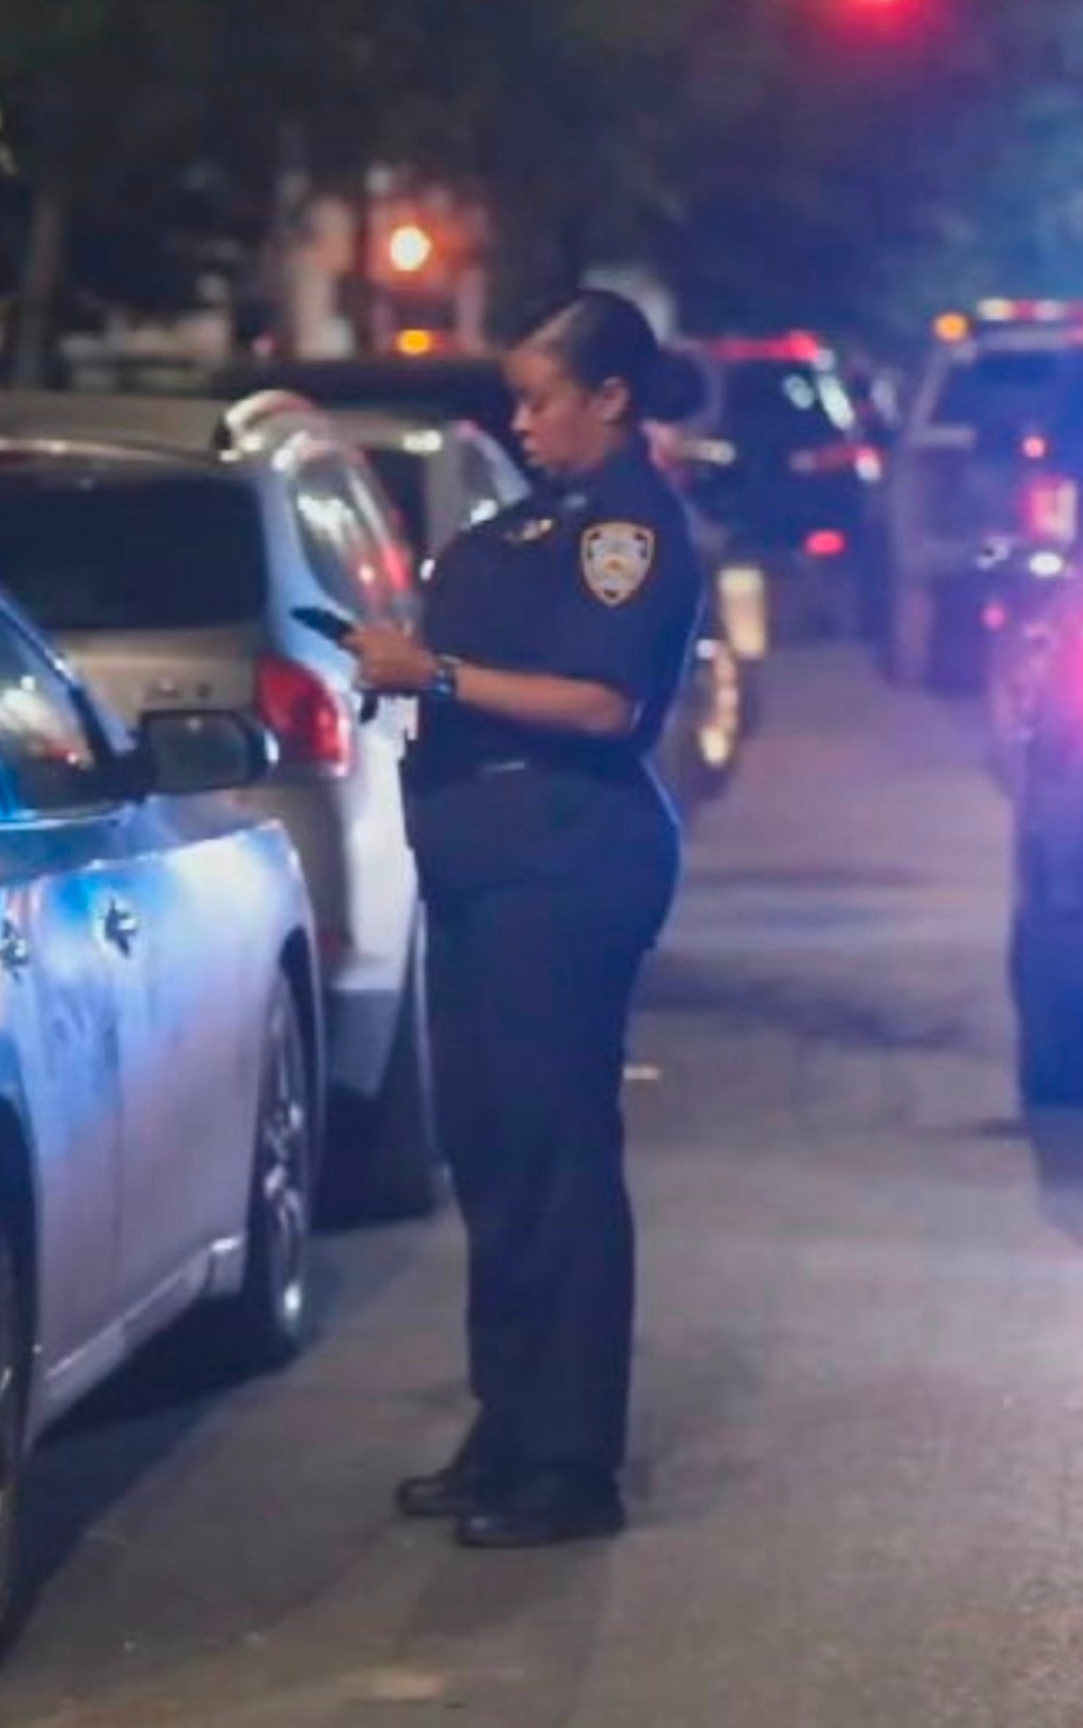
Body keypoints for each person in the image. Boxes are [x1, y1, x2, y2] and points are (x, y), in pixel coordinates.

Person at [341, 289, 708, 1549]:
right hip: (484, 864)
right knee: (494, 1160)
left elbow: (606, 705)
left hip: (564, 863)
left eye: (544, 397)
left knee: (554, 1162)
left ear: (610, 397)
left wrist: (433, 672)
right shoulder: (536, 523)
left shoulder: (628, 535)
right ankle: (509, 1429)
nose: (524, 419)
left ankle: (568, 1463)